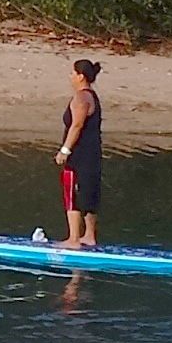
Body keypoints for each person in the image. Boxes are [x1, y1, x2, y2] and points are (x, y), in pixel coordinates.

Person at [54, 58, 104, 247]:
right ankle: (89, 236)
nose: (71, 77)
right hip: (93, 154)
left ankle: (74, 238)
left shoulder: (81, 97)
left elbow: (76, 125)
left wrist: (64, 151)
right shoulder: (92, 95)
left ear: (81, 76)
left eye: (73, 73)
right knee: (90, 192)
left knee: (71, 192)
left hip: (79, 154)